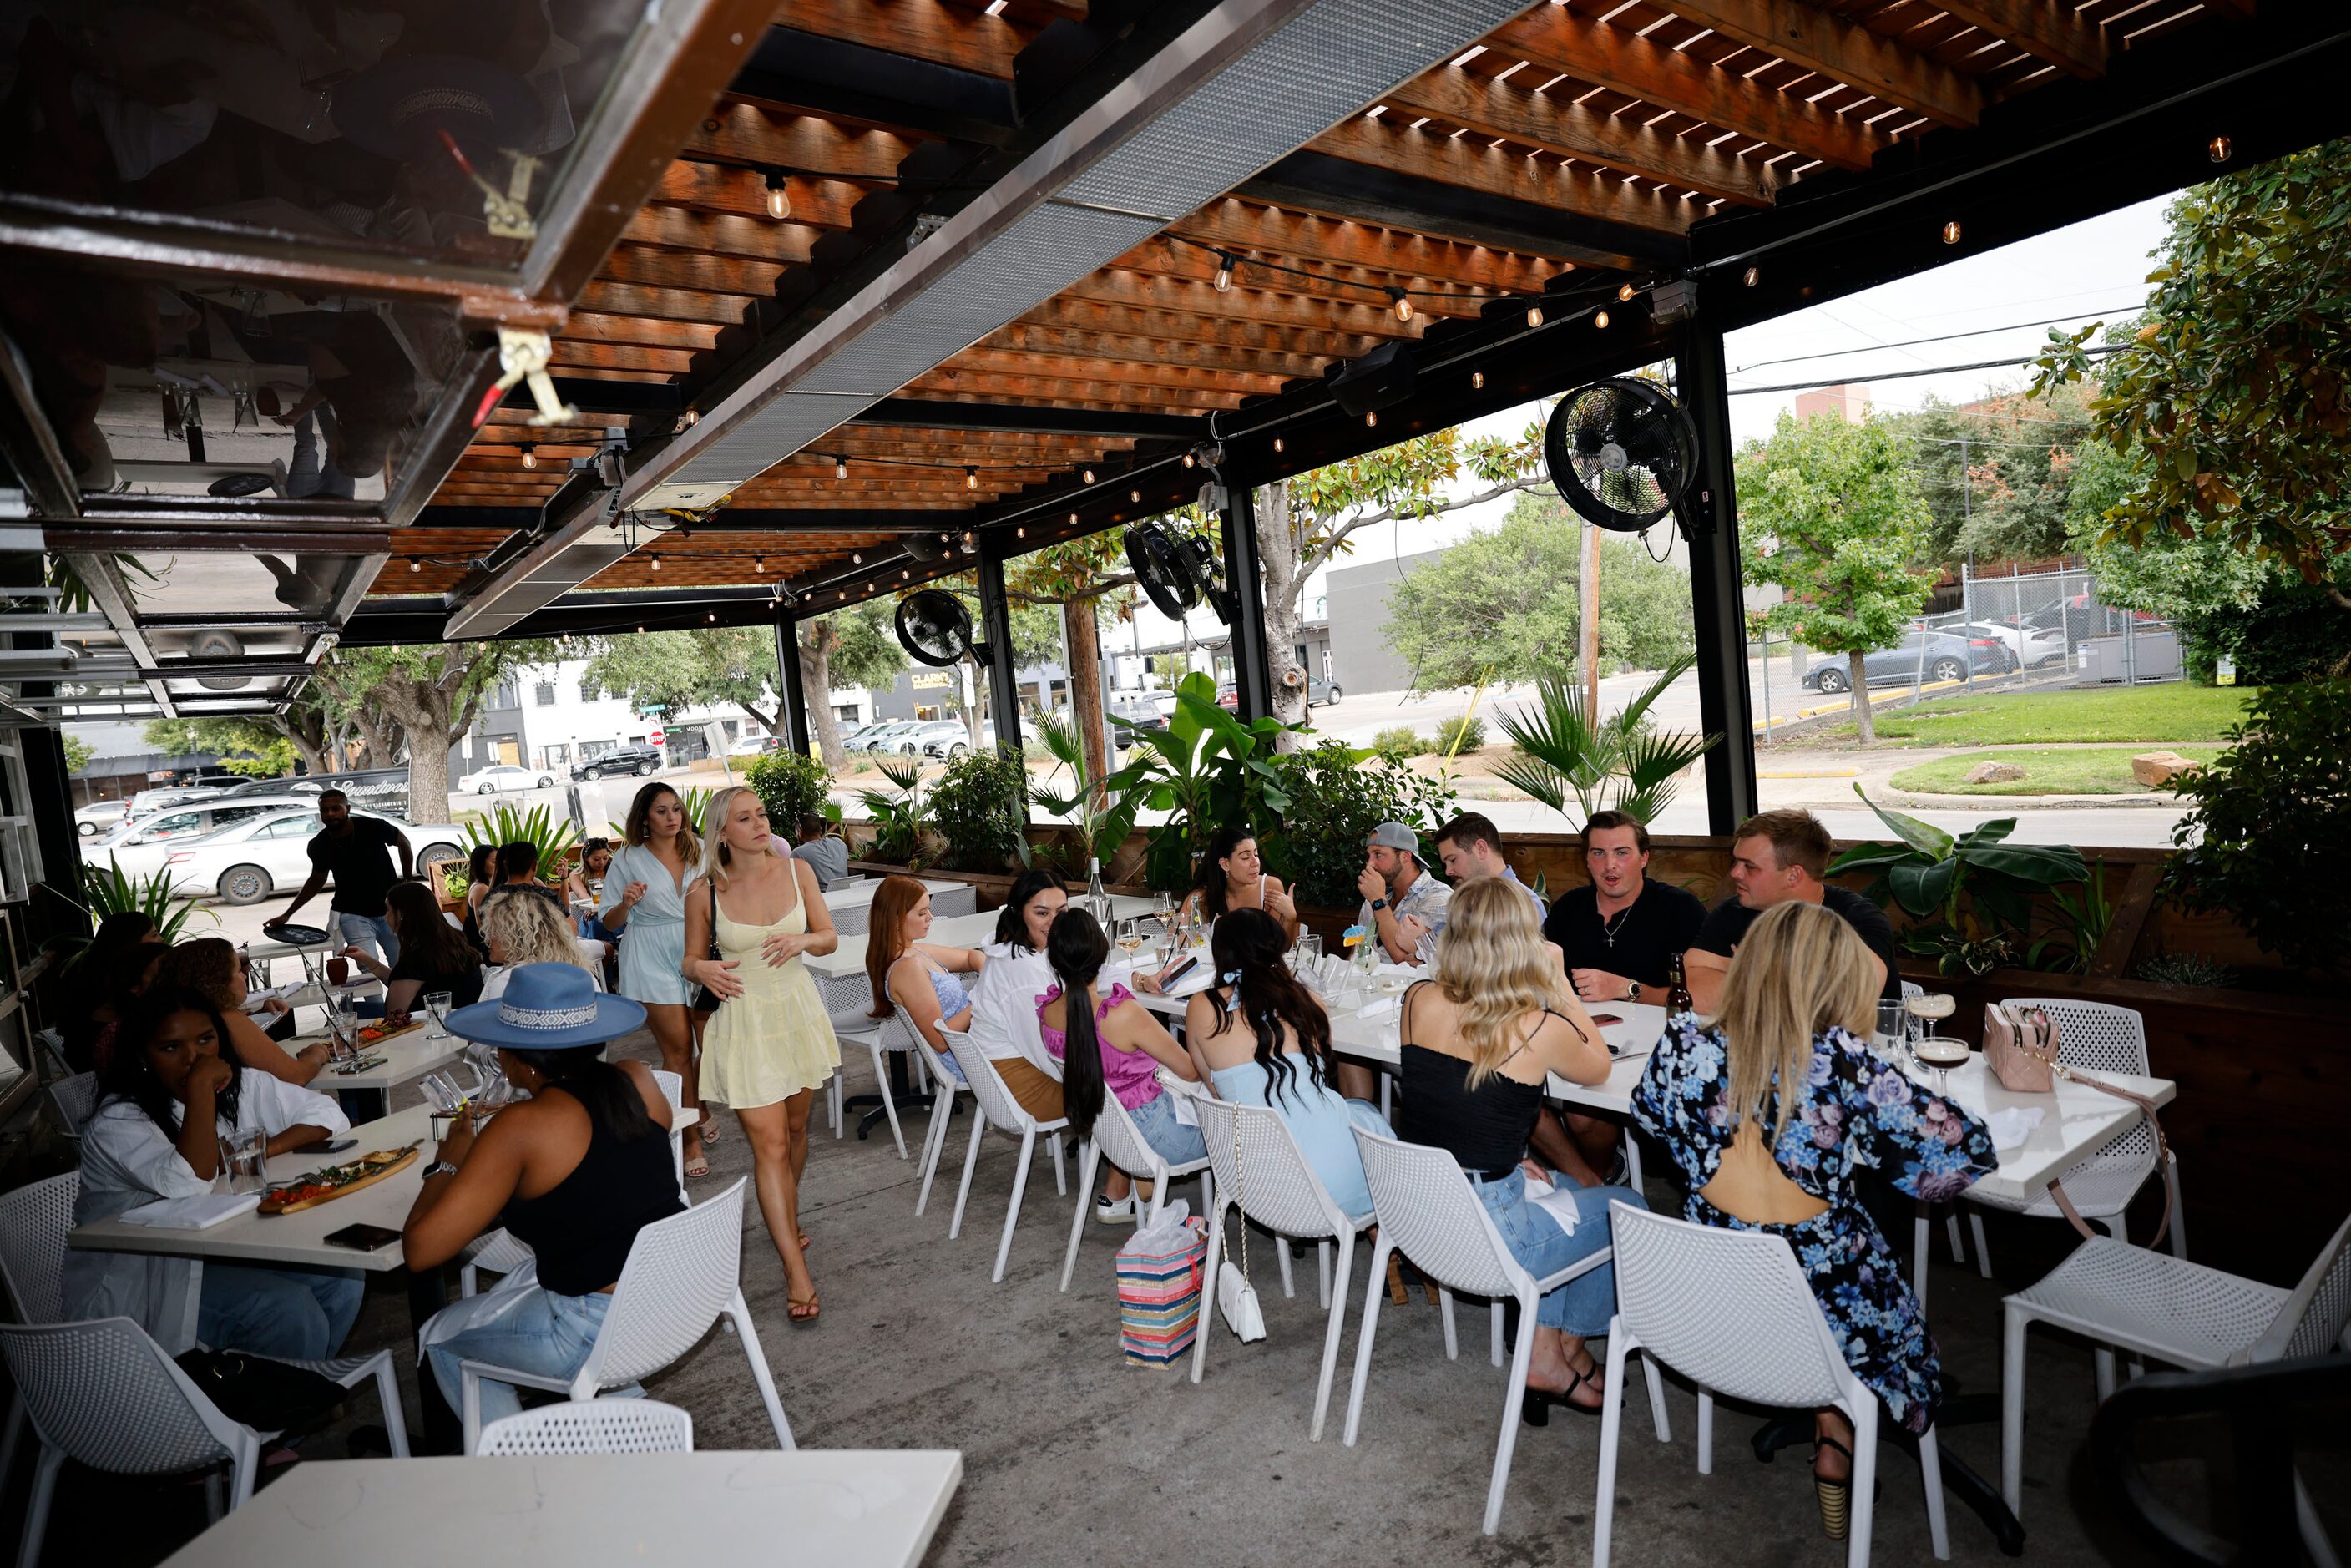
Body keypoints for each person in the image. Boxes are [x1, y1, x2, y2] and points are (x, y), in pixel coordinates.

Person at [1631, 903, 1995, 1538]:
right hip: (1830, 1311)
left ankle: (1832, 1418)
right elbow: (1962, 1161)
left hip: (1708, 1299)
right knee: (1882, 1284)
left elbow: (1650, 1120)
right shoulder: (1845, 1063)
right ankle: (1841, 1424)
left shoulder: (1682, 1041)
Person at [1398, 878, 1643, 1420]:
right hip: (1493, 1235)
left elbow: (1451, 1104)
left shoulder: (1416, 998)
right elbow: (1599, 1066)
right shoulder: (1536, 1026)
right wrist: (1557, 984)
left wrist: (1509, 1158)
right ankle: (1562, 1353)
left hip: (1423, 1217)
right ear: (1522, 942)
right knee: (1624, 1209)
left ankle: (1549, 1350)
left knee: (1560, 1194)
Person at [402, 964, 684, 1431]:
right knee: (519, 1279)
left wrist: (448, 1162)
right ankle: (621, 1415)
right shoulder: (635, 1077)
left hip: (598, 1327)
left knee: (439, 1339)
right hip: (676, 1292)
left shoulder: (519, 1128)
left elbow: (420, 1251)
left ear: (523, 1059)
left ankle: (523, 1474)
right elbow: (625, 1164)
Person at [65, 987, 356, 1358]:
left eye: (206, 1040)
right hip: (148, 1274)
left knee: (342, 1278)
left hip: (226, 1247)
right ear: (141, 1056)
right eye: (171, 1048)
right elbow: (186, 1182)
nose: (194, 1058)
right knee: (288, 1310)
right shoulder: (118, 1120)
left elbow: (328, 1115)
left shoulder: (238, 1084)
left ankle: (294, 1390)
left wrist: (255, 1150)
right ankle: (266, 1401)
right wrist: (201, 1088)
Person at [685, 786, 840, 1322]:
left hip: (796, 1014)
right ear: (721, 832)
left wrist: (803, 942)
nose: (757, 824)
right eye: (743, 818)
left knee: (796, 1133)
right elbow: (689, 960)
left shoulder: (798, 871)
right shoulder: (704, 891)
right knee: (770, 1145)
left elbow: (829, 937)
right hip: (745, 1022)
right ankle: (795, 1270)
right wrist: (701, 968)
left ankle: (786, 1214)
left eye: (762, 815)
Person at [1186, 908, 1392, 1220]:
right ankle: (1388, 1235)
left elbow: (1218, 1092)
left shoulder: (1203, 1008)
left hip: (1255, 1187)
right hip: (1335, 1187)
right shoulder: (1309, 1003)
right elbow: (1319, 1080)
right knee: (1368, 1117)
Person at [1040, 909, 1206, 1179]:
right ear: (1102, 955)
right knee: (1242, 1130)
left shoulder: (1047, 1015)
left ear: (1055, 961)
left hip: (1112, 1138)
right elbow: (1191, 1070)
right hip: (1158, 1135)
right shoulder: (1122, 1015)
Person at [1684, 809, 1901, 1014]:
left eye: (1749, 866)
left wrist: (1749, 971)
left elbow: (1849, 1002)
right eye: (1736, 861)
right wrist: (1795, 981)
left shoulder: (1856, 919)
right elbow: (1690, 989)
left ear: (1794, 875)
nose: (1735, 873)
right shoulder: (1733, 911)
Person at [599, 782, 710, 1179]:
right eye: (661, 811)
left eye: (676, 809)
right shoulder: (628, 858)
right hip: (649, 954)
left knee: (706, 1045)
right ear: (644, 817)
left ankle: (698, 1106)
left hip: (698, 949)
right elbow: (607, 923)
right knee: (679, 1048)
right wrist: (626, 903)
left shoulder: (699, 847)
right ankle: (689, 1137)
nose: (672, 818)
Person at [1544, 809, 1708, 1009]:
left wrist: (1627, 989)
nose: (1609, 865)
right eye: (1598, 853)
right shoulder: (1568, 908)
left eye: (1621, 853)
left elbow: (1702, 994)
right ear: (1587, 860)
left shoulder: (1680, 909)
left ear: (1644, 857)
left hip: (1656, 1031)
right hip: (1579, 1029)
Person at [963, 868, 1069, 1124]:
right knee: (1128, 1094)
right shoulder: (1023, 970)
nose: (1054, 922)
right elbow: (1050, 1056)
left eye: (1061, 913)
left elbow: (1088, 970)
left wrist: (1137, 979)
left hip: (1008, 1080)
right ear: (1019, 912)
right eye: (1042, 913)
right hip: (1025, 1090)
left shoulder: (1020, 949)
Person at [151, 938, 332, 1087]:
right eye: (238, 970)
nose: (244, 976)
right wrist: (317, 1054)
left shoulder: (181, 1017)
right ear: (218, 981)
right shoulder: (226, 1018)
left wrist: (260, 1013)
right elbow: (294, 1077)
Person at [264, 788, 413, 965]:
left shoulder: (372, 827)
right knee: (368, 967)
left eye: (336, 808)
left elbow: (403, 842)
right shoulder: (319, 844)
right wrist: (287, 914)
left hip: (389, 909)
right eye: (324, 810)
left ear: (347, 809)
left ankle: (401, 993)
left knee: (402, 964)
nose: (330, 814)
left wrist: (407, 879)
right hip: (352, 913)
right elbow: (316, 880)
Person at [866, 873, 985, 1090]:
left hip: (978, 1040)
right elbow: (940, 1041)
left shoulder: (914, 951)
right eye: (922, 913)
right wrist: (981, 997)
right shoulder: (906, 969)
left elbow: (971, 957)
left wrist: (989, 975)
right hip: (970, 1058)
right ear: (896, 920)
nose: (930, 916)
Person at [340, 882, 485, 1025]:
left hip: (428, 1029)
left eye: (388, 910)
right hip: (467, 1022)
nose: (385, 916)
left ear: (402, 914)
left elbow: (393, 1013)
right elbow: (408, 982)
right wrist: (372, 963)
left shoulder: (418, 956)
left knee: (346, 1012)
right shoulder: (452, 940)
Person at [58, 912, 164, 1071]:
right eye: (154, 935)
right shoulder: (113, 987)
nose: (161, 939)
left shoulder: (92, 970)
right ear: (130, 942)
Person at [1171, 825, 1300, 945]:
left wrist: (1290, 917)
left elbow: (1279, 948)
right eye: (1245, 857)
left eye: (1256, 854)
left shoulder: (1269, 887)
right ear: (1225, 864)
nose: (1255, 863)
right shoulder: (1202, 897)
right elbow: (1174, 941)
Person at [478, 886, 604, 998]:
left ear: (517, 936)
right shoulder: (582, 975)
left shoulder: (507, 983)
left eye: (493, 932)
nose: (488, 940)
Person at [1356, 820, 1451, 965]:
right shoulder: (1373, 900)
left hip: (1411, 987)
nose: (1370, 864)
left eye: (1378, 854)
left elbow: (1403, 957)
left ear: (1405, 856)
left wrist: (1378, 902)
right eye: (1369, 855)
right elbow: (1357, 954)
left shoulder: (1439, 898)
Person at [1433, 812, 1545, 921]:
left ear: (1481, 849)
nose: (1448, 871)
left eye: (1452, 860)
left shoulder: (1525, 905)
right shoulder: (1468, 900)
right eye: (1445, 864)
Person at [566, 838, 623, 987]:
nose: (602, 863)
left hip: (615, 917)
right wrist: (597, 908)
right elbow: (582, 895)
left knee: (599, 921)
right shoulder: (577, 875)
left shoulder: (614, 870)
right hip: (590, 919)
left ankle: (602, 979)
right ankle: (607, 981)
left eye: (605, 858)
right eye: (596, 859)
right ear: (586, 858)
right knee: (595, 921)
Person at [791, 813, 849, 890]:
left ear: (800, 833)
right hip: (846, 893)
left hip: (822, 898)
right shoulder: (839, 843)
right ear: (820, 830)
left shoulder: (798, 853)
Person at [460, 843, 498, 959]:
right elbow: (484, 927)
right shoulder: (481, 888)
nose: (499, 865)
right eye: (494, 862)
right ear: (481, 864)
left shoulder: (488, 883)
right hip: (484, 948)